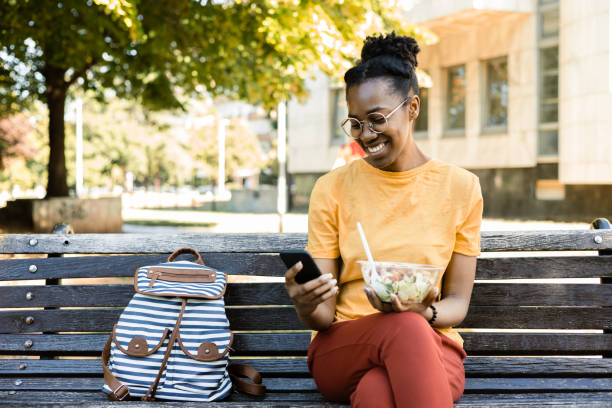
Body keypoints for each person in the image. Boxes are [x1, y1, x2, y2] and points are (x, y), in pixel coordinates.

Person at [284, 32, 483, 408]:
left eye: (376, 119)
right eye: (355, 123)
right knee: (403, 329)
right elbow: (324, 317)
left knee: (377, 392)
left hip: (433, 347)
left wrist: (425, 312)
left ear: (413, 108)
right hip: (344, 345)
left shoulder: (461, 187)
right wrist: (306, 303)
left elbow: (458, 300)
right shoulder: (333, 188)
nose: (366, 135)